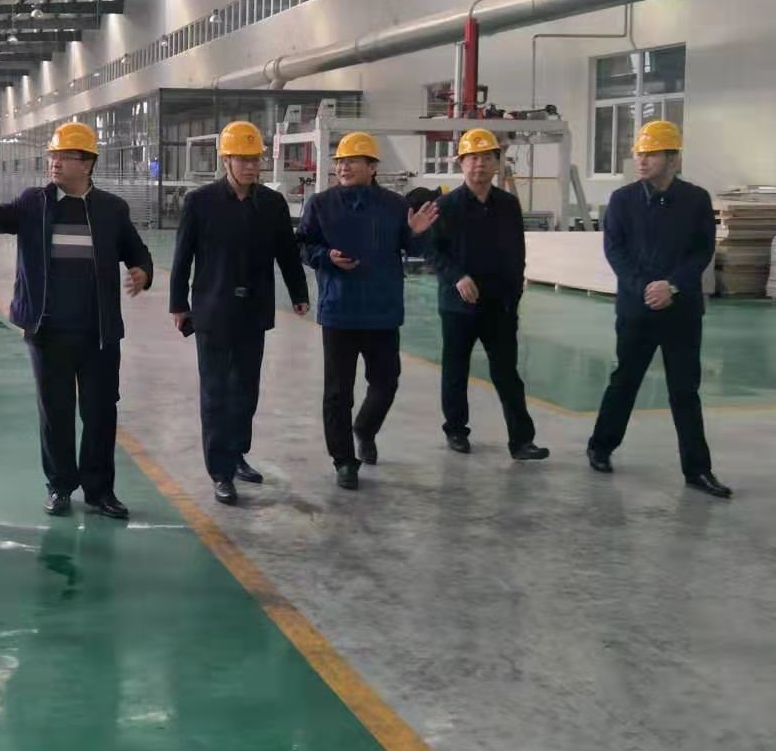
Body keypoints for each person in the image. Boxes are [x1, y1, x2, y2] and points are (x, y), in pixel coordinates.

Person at [0, 122, 153, 519]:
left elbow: (136, 250)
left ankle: (100, 491)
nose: (54, 163)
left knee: (101, 413)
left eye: (65, 156)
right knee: (55, 413)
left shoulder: (111, 209)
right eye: (53, 156)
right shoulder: (33, 204)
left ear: (87, 164)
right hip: (48, 330)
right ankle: (59, 487)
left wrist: (142, 271)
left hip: (98, 333)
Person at [586, 121, 731, 498]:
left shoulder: (696, 200)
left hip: (681, 311)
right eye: (640, 153)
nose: (641, 160)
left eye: (651, 154)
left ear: (673, 158)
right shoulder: (622, 200)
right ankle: (600, 446)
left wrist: (673, 285)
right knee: (625, 381)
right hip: (637, 310)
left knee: (685, 390)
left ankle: (698, 470)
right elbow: (615, 250)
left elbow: (702, 251)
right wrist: (644, 288)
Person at [169, 121, 309, 505]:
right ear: (226, 160)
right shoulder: (200, 202)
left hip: (253, 311)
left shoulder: (272, 204)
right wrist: (178, 304)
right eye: (242, 159)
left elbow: (287, 254)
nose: (250, 166)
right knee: (216, 392)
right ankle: (221, 471)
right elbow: (182, 257)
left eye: (254, 159)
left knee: (246, 389)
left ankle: (236, 453)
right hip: (213, 310)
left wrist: (299, 294)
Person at [298, 132, 438, 490]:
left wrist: (417, 233)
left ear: (372, 167)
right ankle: (344, 460)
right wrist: (326, 257)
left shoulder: (394, 205)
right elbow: (303, 246)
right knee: (337, 393)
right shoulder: (320, 204)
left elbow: (411, 248)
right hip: (340, 310)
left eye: (352, 161)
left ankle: (365, 428)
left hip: (382, 310)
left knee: (386, 381)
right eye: (340, 162)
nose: (343, 167)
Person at [429, 128, 550, 461]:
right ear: (461, 164)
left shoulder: (508, 205)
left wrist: (514, 296)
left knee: (507, 374)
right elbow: (433, 251)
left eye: (486, 157)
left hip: (499, 305)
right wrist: (457, 277)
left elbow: (517, 253)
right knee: (456, 370)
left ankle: (521, 441)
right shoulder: (446, 205)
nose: (479, 164)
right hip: (458, 306)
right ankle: (456, 430)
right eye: (472, 158)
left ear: (497, 163)